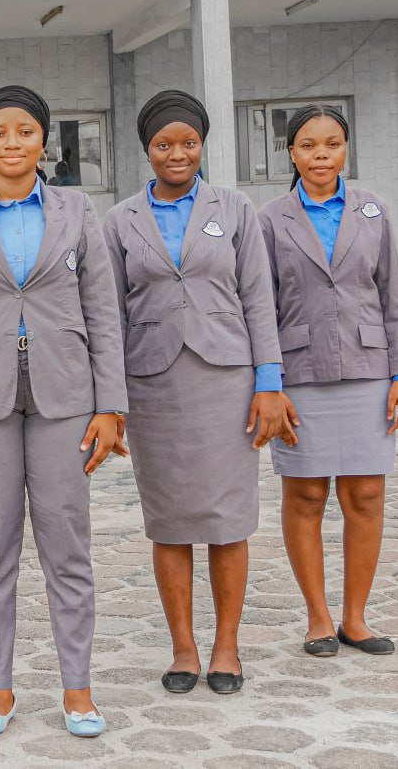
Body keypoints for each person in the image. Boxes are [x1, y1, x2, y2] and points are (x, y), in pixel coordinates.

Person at [0, 85, 128, 738]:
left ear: (44, 141)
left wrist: (111, 405)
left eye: (26, 132)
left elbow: (103, 313)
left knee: (67, 546)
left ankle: (79, 691)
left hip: (66, 398)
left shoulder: (77, 210)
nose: (13, 143)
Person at [101, 89, 292, 695]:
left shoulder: (234, 209)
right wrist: (111, 398)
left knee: (228, 519)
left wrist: (269, 382)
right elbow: (108, 314)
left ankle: (226, 647)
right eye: (164, 144)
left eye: (188, 142)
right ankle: (183, 649)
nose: (177, 153)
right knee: (170, 521)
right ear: (147, 149)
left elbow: (259, 299)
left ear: (203, 144)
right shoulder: (120, 220)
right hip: (153, 386)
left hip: (227, 382)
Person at [258, 104, 398, 657]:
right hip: (298, 372)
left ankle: (356, 618)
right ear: (291, 153)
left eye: (331, 144)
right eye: (308, 145)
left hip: (369, 369)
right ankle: (318, 619)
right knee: (305, 494)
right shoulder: (270, 219)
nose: (320, 155)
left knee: (366, 493)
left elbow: (393, 295)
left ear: (346, 149)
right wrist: (269, 383)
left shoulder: (373, 210)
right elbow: (261, 305)